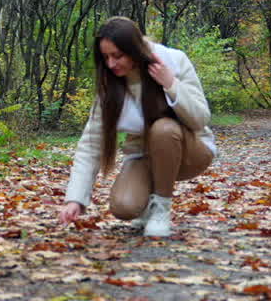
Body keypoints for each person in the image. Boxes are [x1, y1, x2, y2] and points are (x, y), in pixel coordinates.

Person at [56, 16, 216, 237]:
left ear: (134, 50)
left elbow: (201, 119)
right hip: (145, 156)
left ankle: (161, 208)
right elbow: (91, 145)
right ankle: (147, 204)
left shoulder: (174, 61)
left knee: (163, 129)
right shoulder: (109, 87)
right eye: (106, 57)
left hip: (191, 151)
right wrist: (74, 199)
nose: (111, 64)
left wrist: (171, 84)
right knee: (124, 206)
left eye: (117, 56)